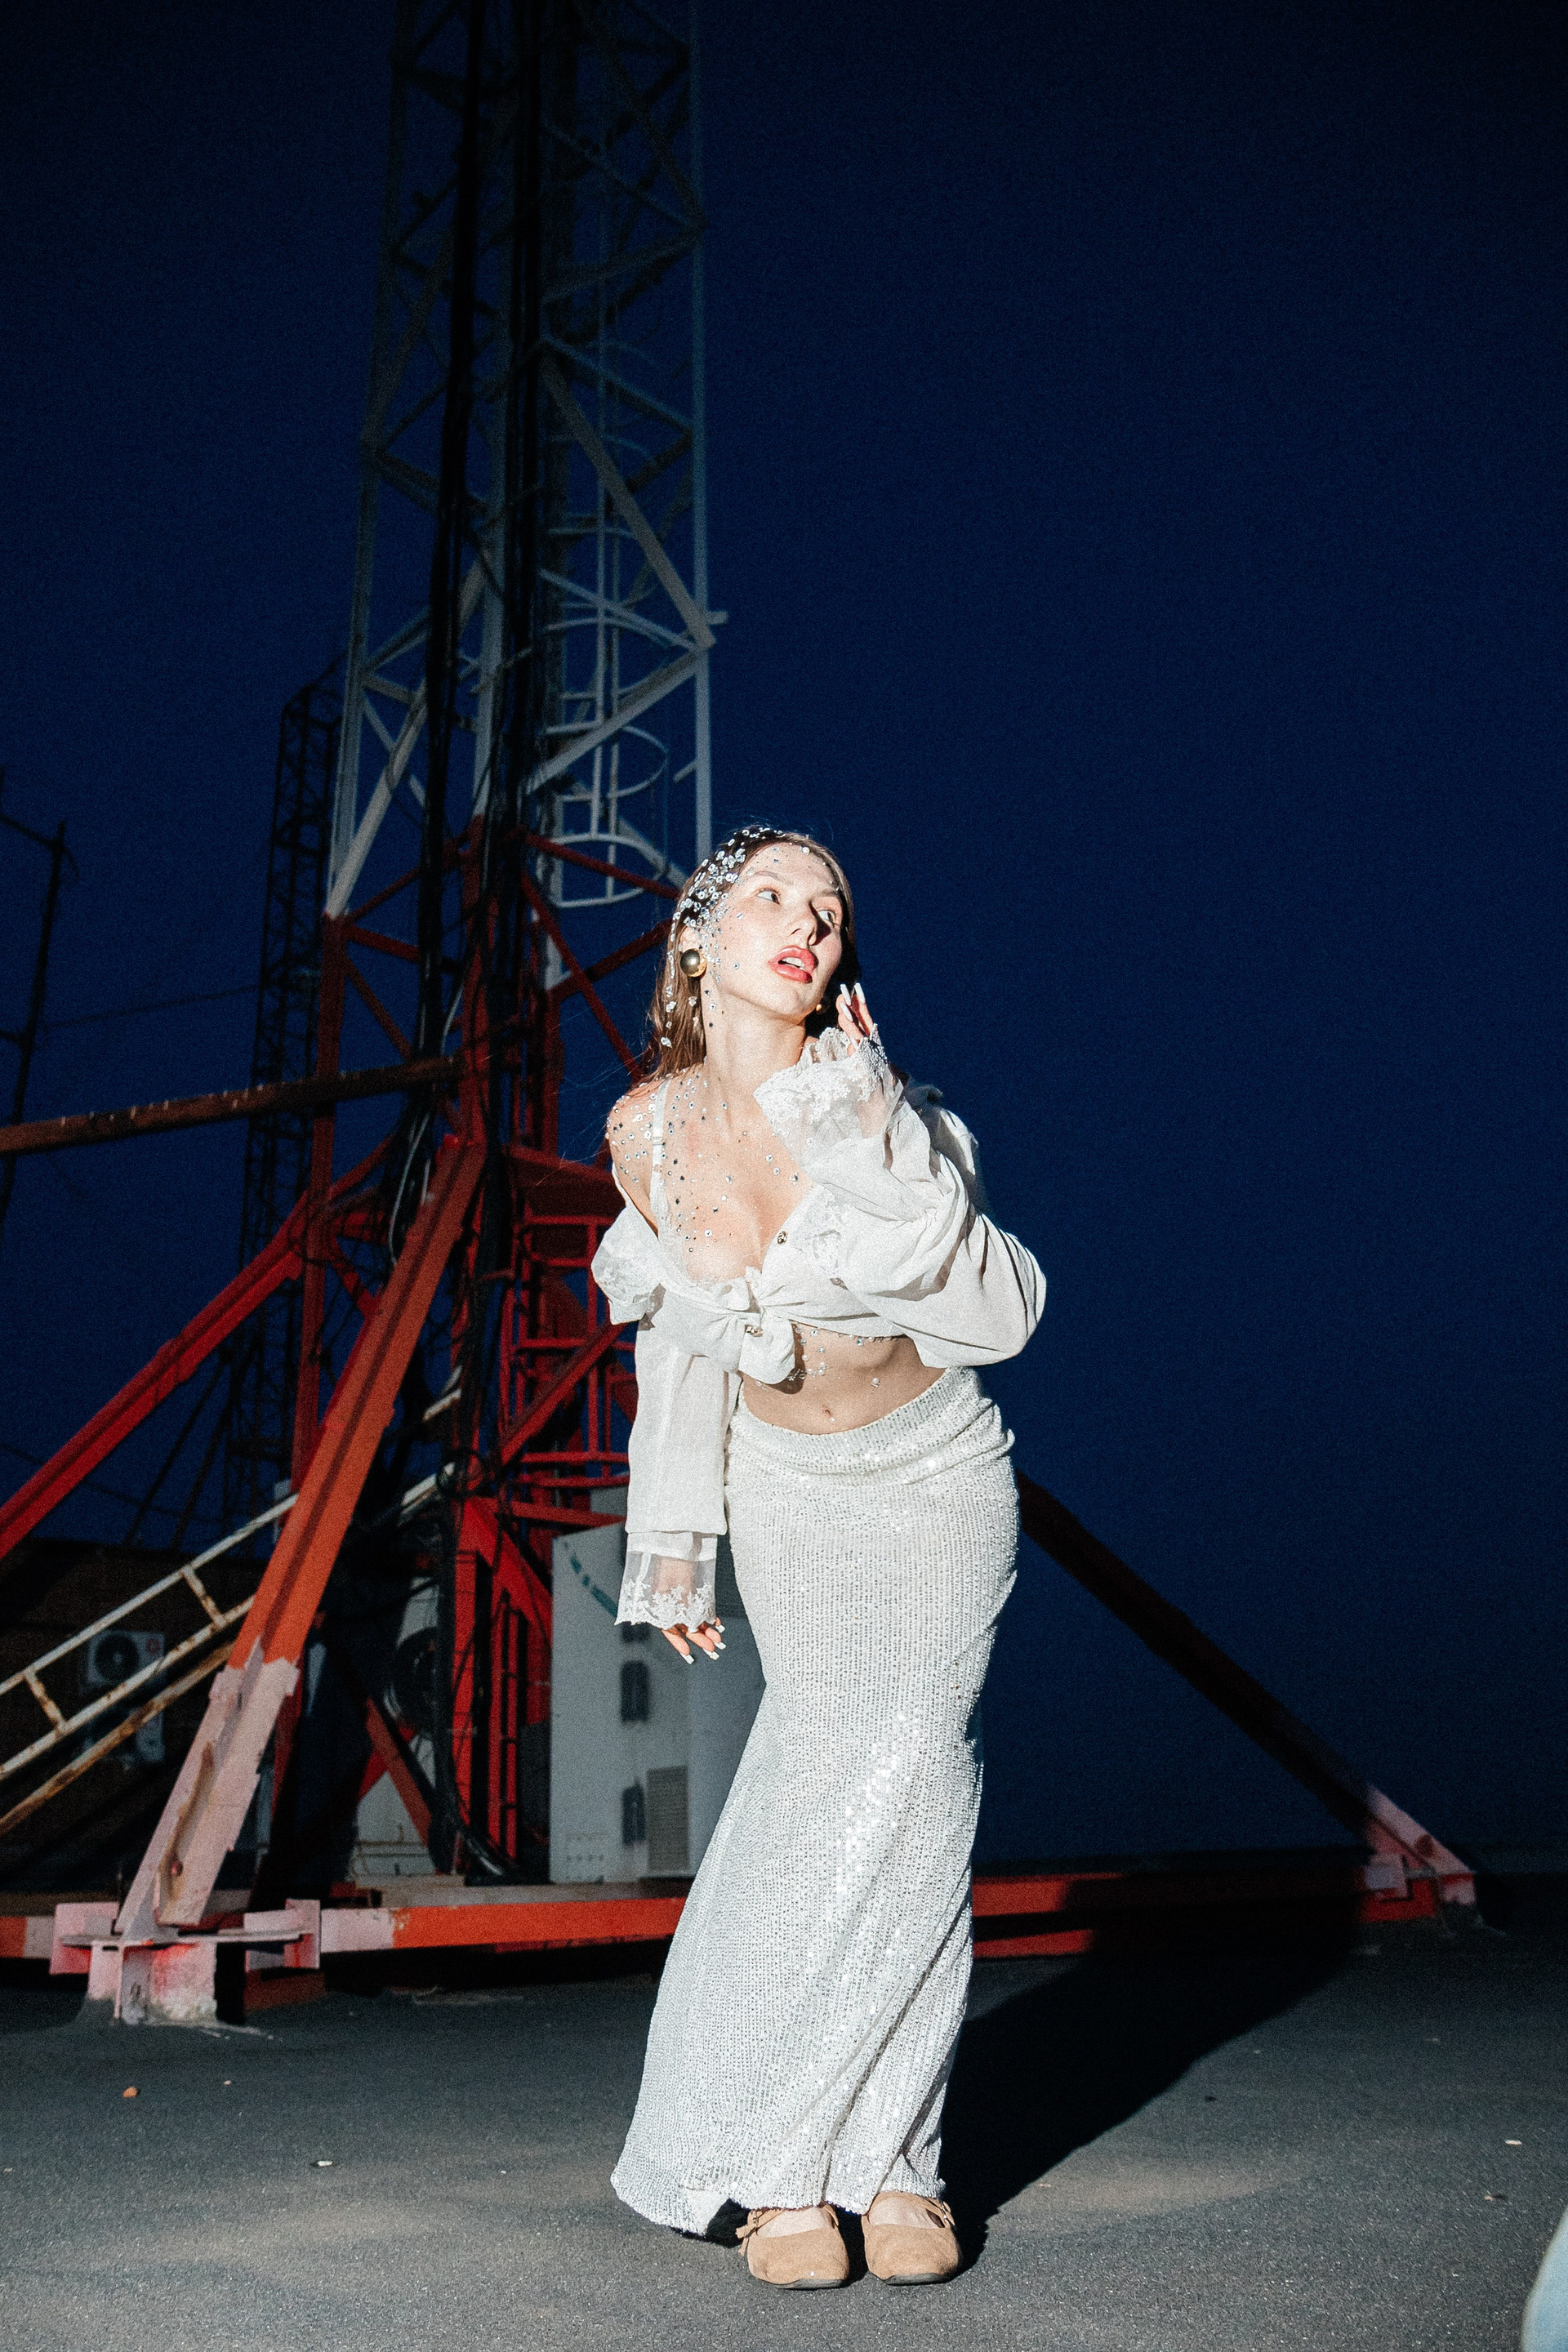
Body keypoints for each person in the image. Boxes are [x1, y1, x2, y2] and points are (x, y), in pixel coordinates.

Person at [590, 824, 1045, 2289]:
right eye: (775, 896)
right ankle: (785, 2166)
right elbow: (679, 1352)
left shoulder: (883, 1103)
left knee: (923, 1779)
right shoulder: (646, 1130)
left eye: (831, 910)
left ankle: (896, 2161)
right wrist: (674, 1545)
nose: (809, 923)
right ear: (698, 934)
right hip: (790, 1492)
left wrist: (870, 1131)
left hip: (936, 1475)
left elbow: (997, 1313)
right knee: (816, 1797)